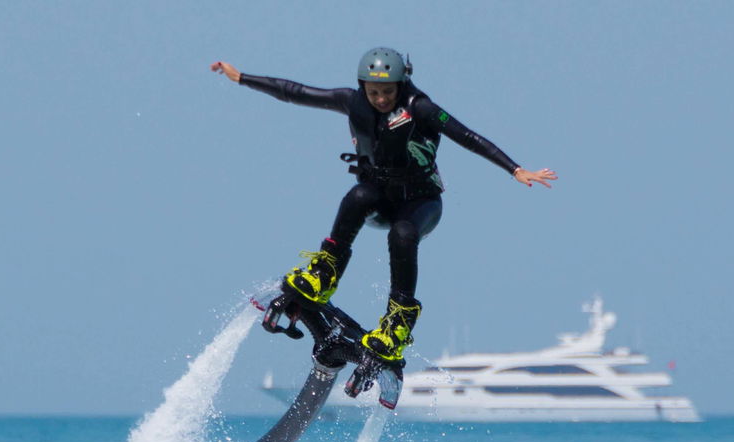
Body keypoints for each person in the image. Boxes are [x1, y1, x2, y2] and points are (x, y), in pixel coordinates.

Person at [209, 48, 557, 362]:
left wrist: (515, 169)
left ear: (401, 83)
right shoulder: (351, 100)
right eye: (373, 92)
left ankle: (397, 323)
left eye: (387, 91)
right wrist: (241, 78)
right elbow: (294, 92)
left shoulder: (421, 108)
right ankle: (324, 274)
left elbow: (467, 136)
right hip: (378, 199)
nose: (380, 99)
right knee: (358, 195)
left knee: (403, 235)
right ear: (362, 87)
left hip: (421, 204)